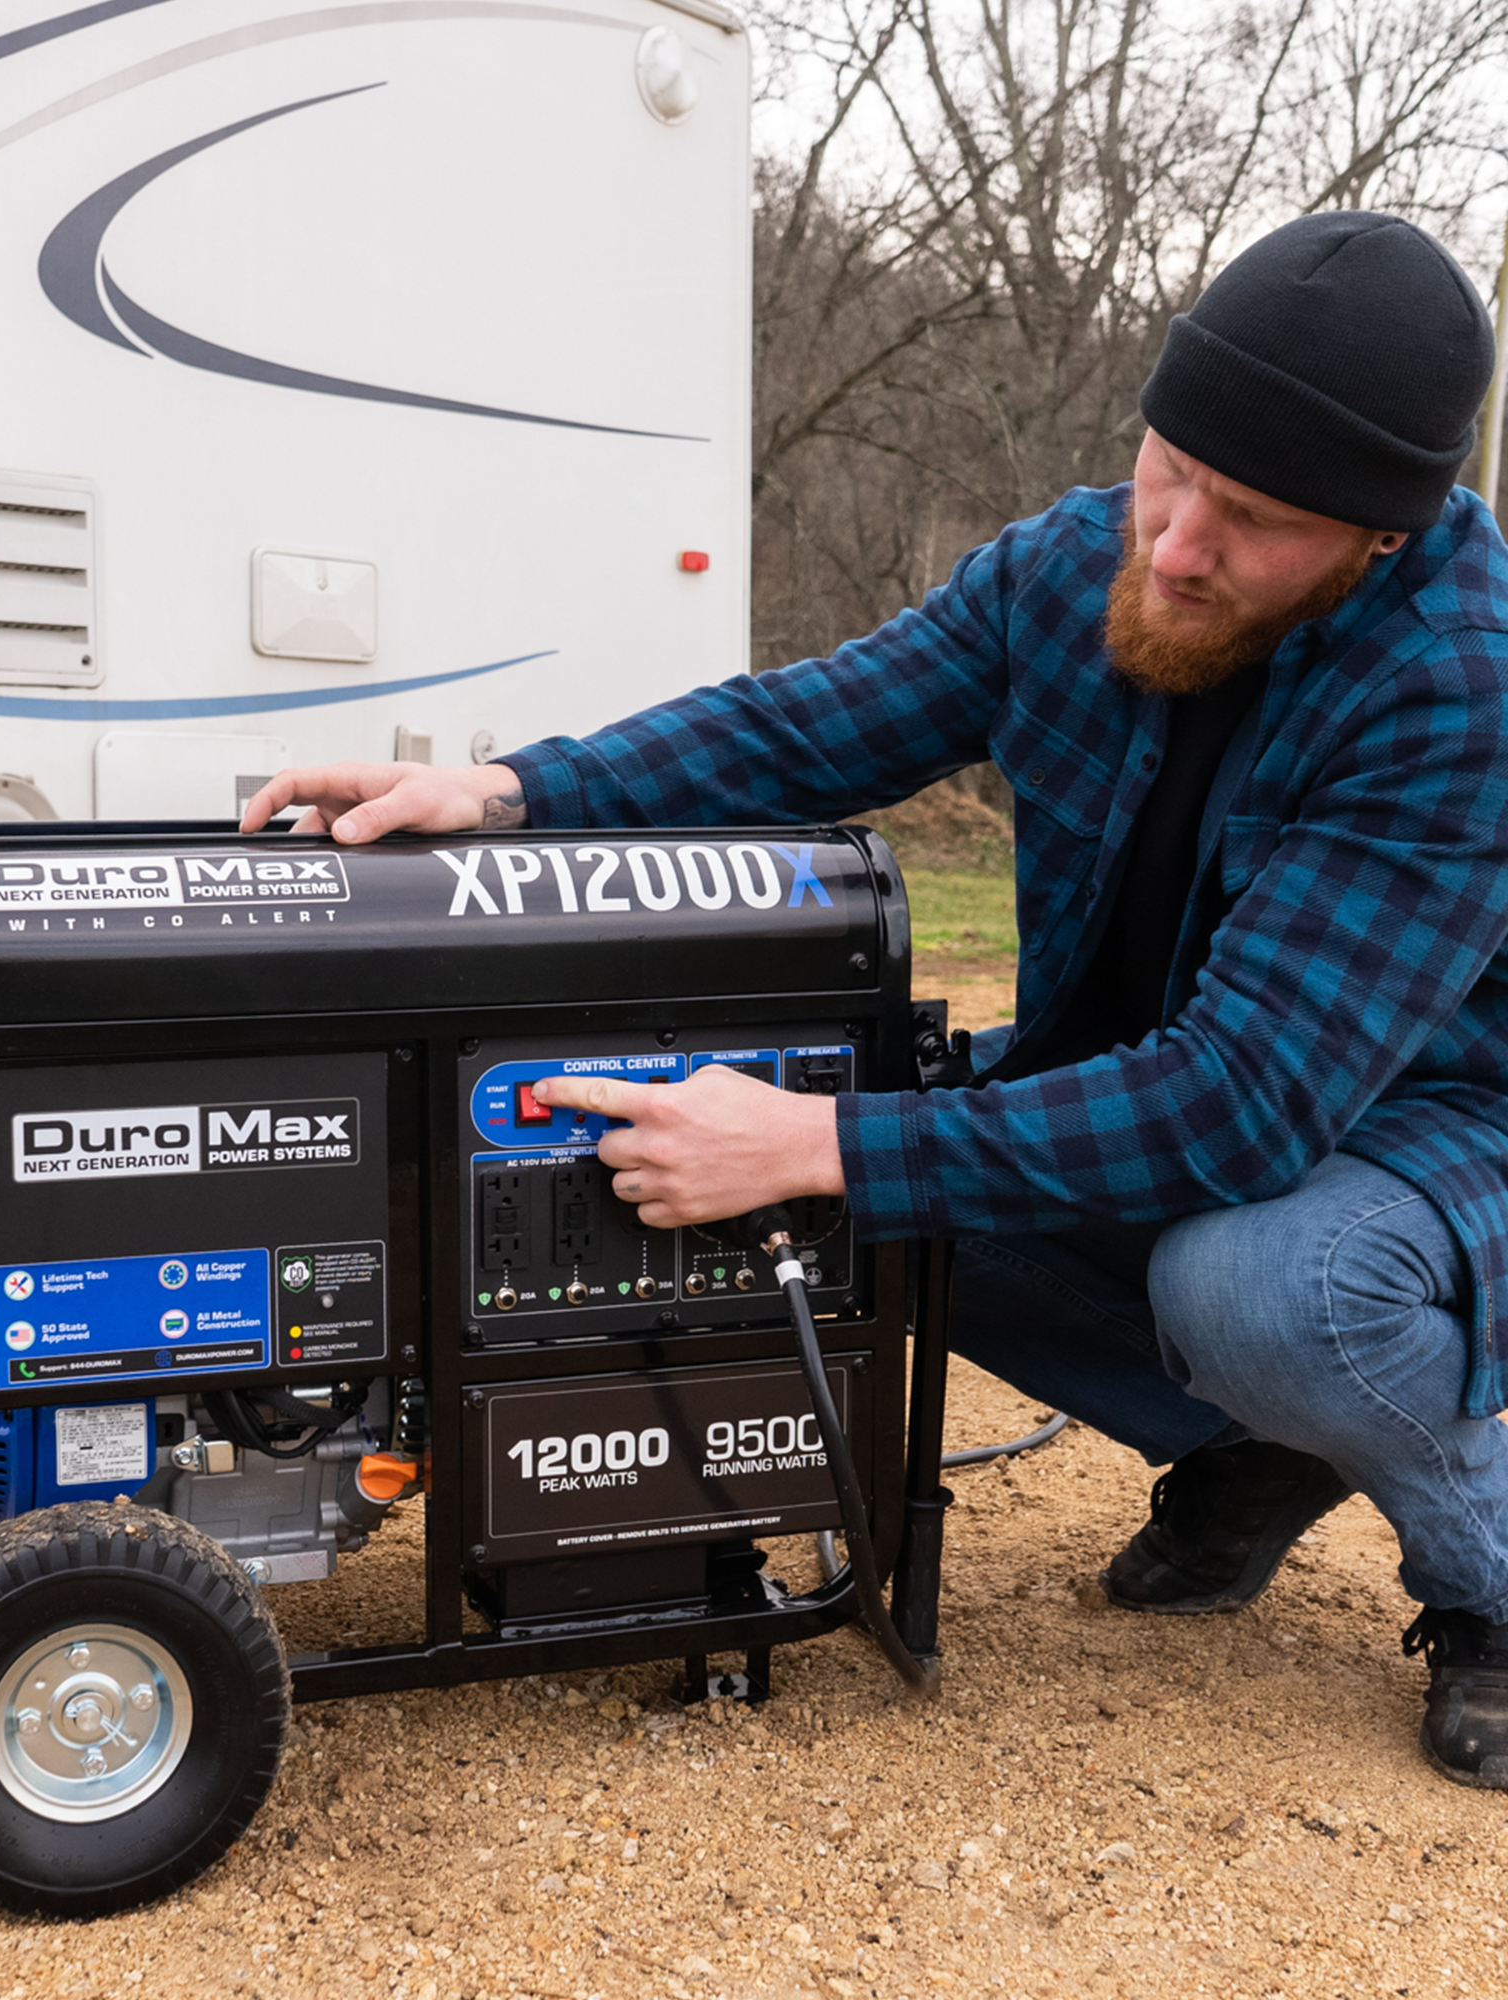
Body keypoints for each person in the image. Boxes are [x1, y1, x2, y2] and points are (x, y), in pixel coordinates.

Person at [241, 212, 1508, 1790]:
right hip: (1168, 1084)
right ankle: (1257, 1452)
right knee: (886, 1213)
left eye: (1252, 521)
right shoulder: (1067, 569)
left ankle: (1485, 1584)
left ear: (1384, 536)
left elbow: (1238, 1106)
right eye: (1170, 466)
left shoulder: (1460, 682)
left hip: (1426, 1133)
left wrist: (820, 1143)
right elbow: (795, 735)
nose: (1176, 542)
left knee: (1258, 1287)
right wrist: (506, 793)